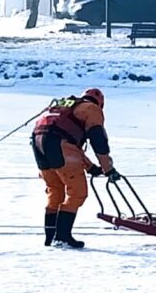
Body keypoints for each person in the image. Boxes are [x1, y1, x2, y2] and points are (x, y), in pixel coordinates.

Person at [31, 87, 121, 248]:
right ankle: (63, 237)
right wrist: (108, 168)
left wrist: (90, 167)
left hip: (38, 144)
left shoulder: (64, 105)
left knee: (55, 189)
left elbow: (70, 143)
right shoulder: (92, 109)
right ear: (100, 103)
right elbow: (98, 141)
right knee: (77, 193)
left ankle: (50, 237)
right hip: (57, 144)